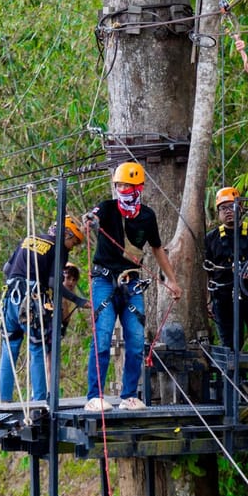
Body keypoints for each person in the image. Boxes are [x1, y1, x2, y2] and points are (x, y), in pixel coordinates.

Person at [83, 161, 183, 412]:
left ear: (138, 188)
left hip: (132, 281)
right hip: (105, 280)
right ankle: (94, 396)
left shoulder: (147, 216)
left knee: (137, 341)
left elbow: (157, 249)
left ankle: (129, 395)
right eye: (119, 185)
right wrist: (91, 222)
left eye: (127, 185)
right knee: (103, 337)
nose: (123, 190)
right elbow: (92, 216)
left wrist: (172, 280)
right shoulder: (107, 208)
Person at [0, 215, 88, 402]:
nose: (73, 246)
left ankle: (4, 399)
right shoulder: (59, 248)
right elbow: (54, 282)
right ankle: (38, 400)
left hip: (11, 298)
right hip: (32, 300)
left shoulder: (28, 239)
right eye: (74, 242)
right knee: (37, 347)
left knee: (10, 345)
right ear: (66, 234)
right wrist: (78, 300)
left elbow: (7, 268)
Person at [204, 186, 248, 351]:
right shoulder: (211, 238)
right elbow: (207, 272)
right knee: (229, 346)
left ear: (240, 208)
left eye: (232, 206)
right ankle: (231, 375)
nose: (228, 211)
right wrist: (208, 301)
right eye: (223, 208)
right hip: (223, 299)